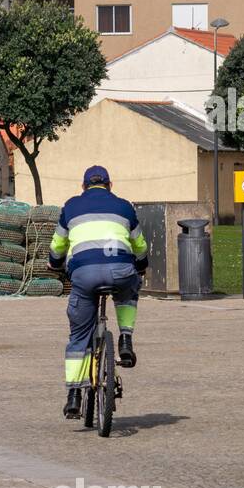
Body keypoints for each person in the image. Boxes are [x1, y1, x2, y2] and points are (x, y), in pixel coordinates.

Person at [47, 166, 148, 420]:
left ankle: (74, 396)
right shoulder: (125, 207)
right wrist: (142, 265)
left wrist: (54, 264)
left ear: (83, 187)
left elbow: (58, 245)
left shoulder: (71, 206)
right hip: (120, 270)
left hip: (84, 274)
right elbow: (140, 244)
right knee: (128, 291)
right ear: (110, 185)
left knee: (79, 335)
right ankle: (125, 338)